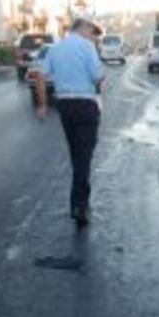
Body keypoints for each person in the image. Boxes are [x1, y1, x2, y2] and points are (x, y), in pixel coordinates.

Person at [35, 17, 105, 227]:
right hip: (86, 105)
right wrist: (98, 74)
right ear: (83, 29)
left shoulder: (55, 49)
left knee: (76, 153)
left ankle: (80, 200)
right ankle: (79, 205)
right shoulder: (87, 47)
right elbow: (98, 76)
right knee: (84, 156)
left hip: (65, 106)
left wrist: (42, 105)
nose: (93, 36)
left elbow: (40, 76)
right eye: (92, 31)